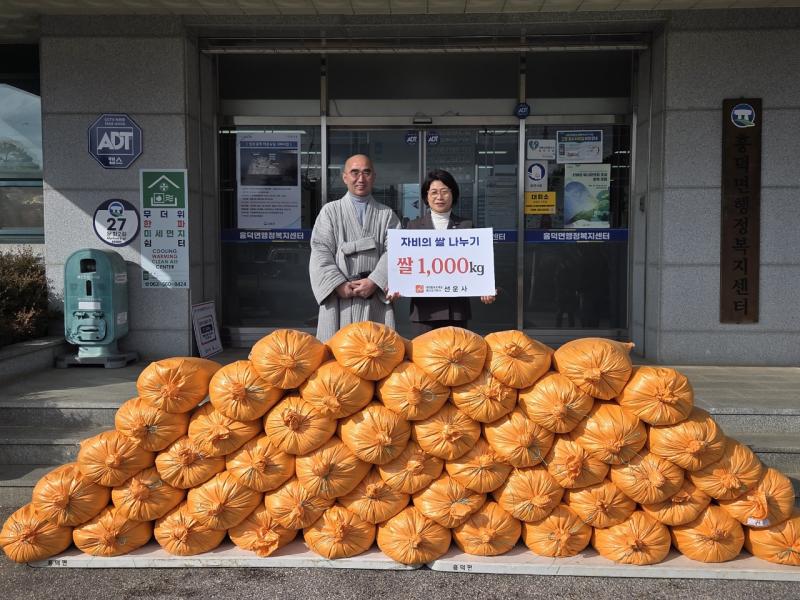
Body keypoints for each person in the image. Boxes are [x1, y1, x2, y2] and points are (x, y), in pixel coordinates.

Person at [309, 154, 400, 342]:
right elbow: (320, 251)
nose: (361, 178)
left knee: (376, 353)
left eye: (366, 172)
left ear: (373, 176)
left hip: (374, 296)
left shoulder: (386, 214)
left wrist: (374, 281)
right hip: (339, 298)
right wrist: (338, 284)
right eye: (354, 172)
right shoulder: (330, 211)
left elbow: (396, 251)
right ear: (345, 177)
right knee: (335, 359)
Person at [402, 169, 495, 336]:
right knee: (424, 360)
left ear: (453, 194)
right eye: (434, 192)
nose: (439, 197)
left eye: (445, 191)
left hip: (456, 309)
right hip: (424, 311)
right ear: (426, 196)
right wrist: (397, 284)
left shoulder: (467, 226)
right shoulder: (413, 227)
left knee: (456, 358)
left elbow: (477, 264)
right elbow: (405, 264)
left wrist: (485, 287)